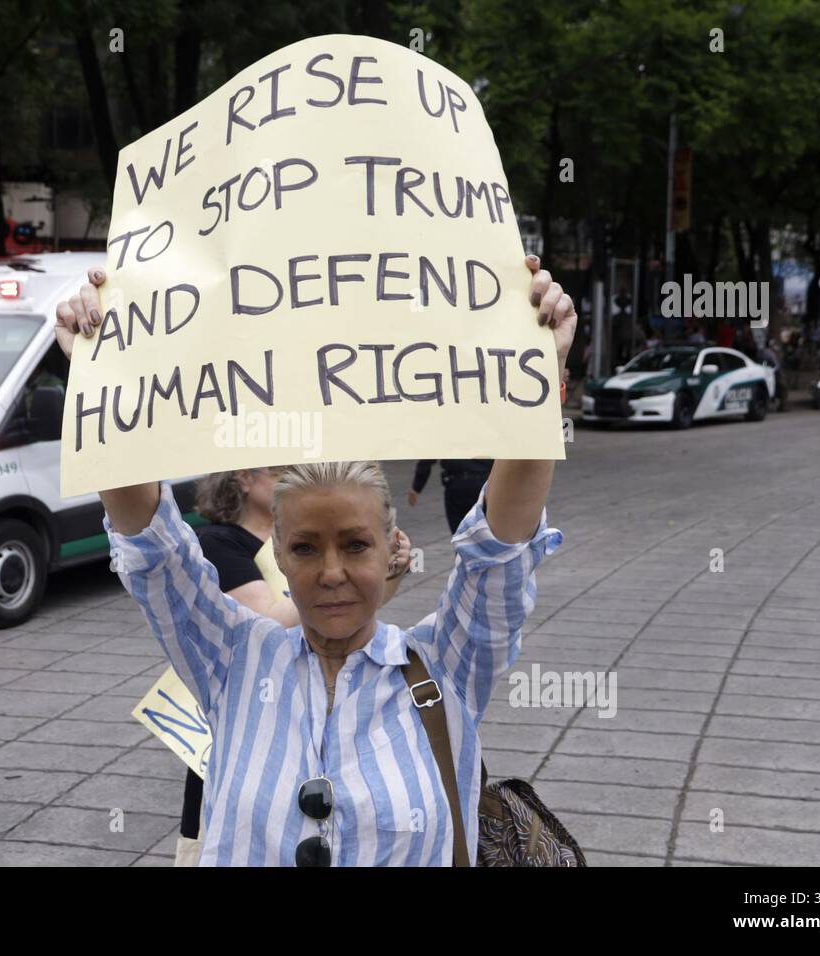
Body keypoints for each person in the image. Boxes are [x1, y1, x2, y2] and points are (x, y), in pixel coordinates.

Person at [55, 256, 575, 865]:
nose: (331, 572)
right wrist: (100, 370)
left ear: (390, 549)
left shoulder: (446, 667)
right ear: (276, 552)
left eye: (355, 545)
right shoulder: (234, 659)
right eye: (305, 548)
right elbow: (153, 550)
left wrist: (543, 365)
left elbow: (501, 553)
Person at [174, 466, 413, 865]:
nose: (292, 473)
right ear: (245, 478)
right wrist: (365, 579)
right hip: (249, 710)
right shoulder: (220, 542)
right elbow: (266, 620)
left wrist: (375, 573)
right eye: (280, 468)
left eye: (355, 545)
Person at [407, 459, 493, 532]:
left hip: (457, 485)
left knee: (460, 531)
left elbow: (428, 458)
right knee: (487, 531)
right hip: (485, 484)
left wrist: (417, 487)